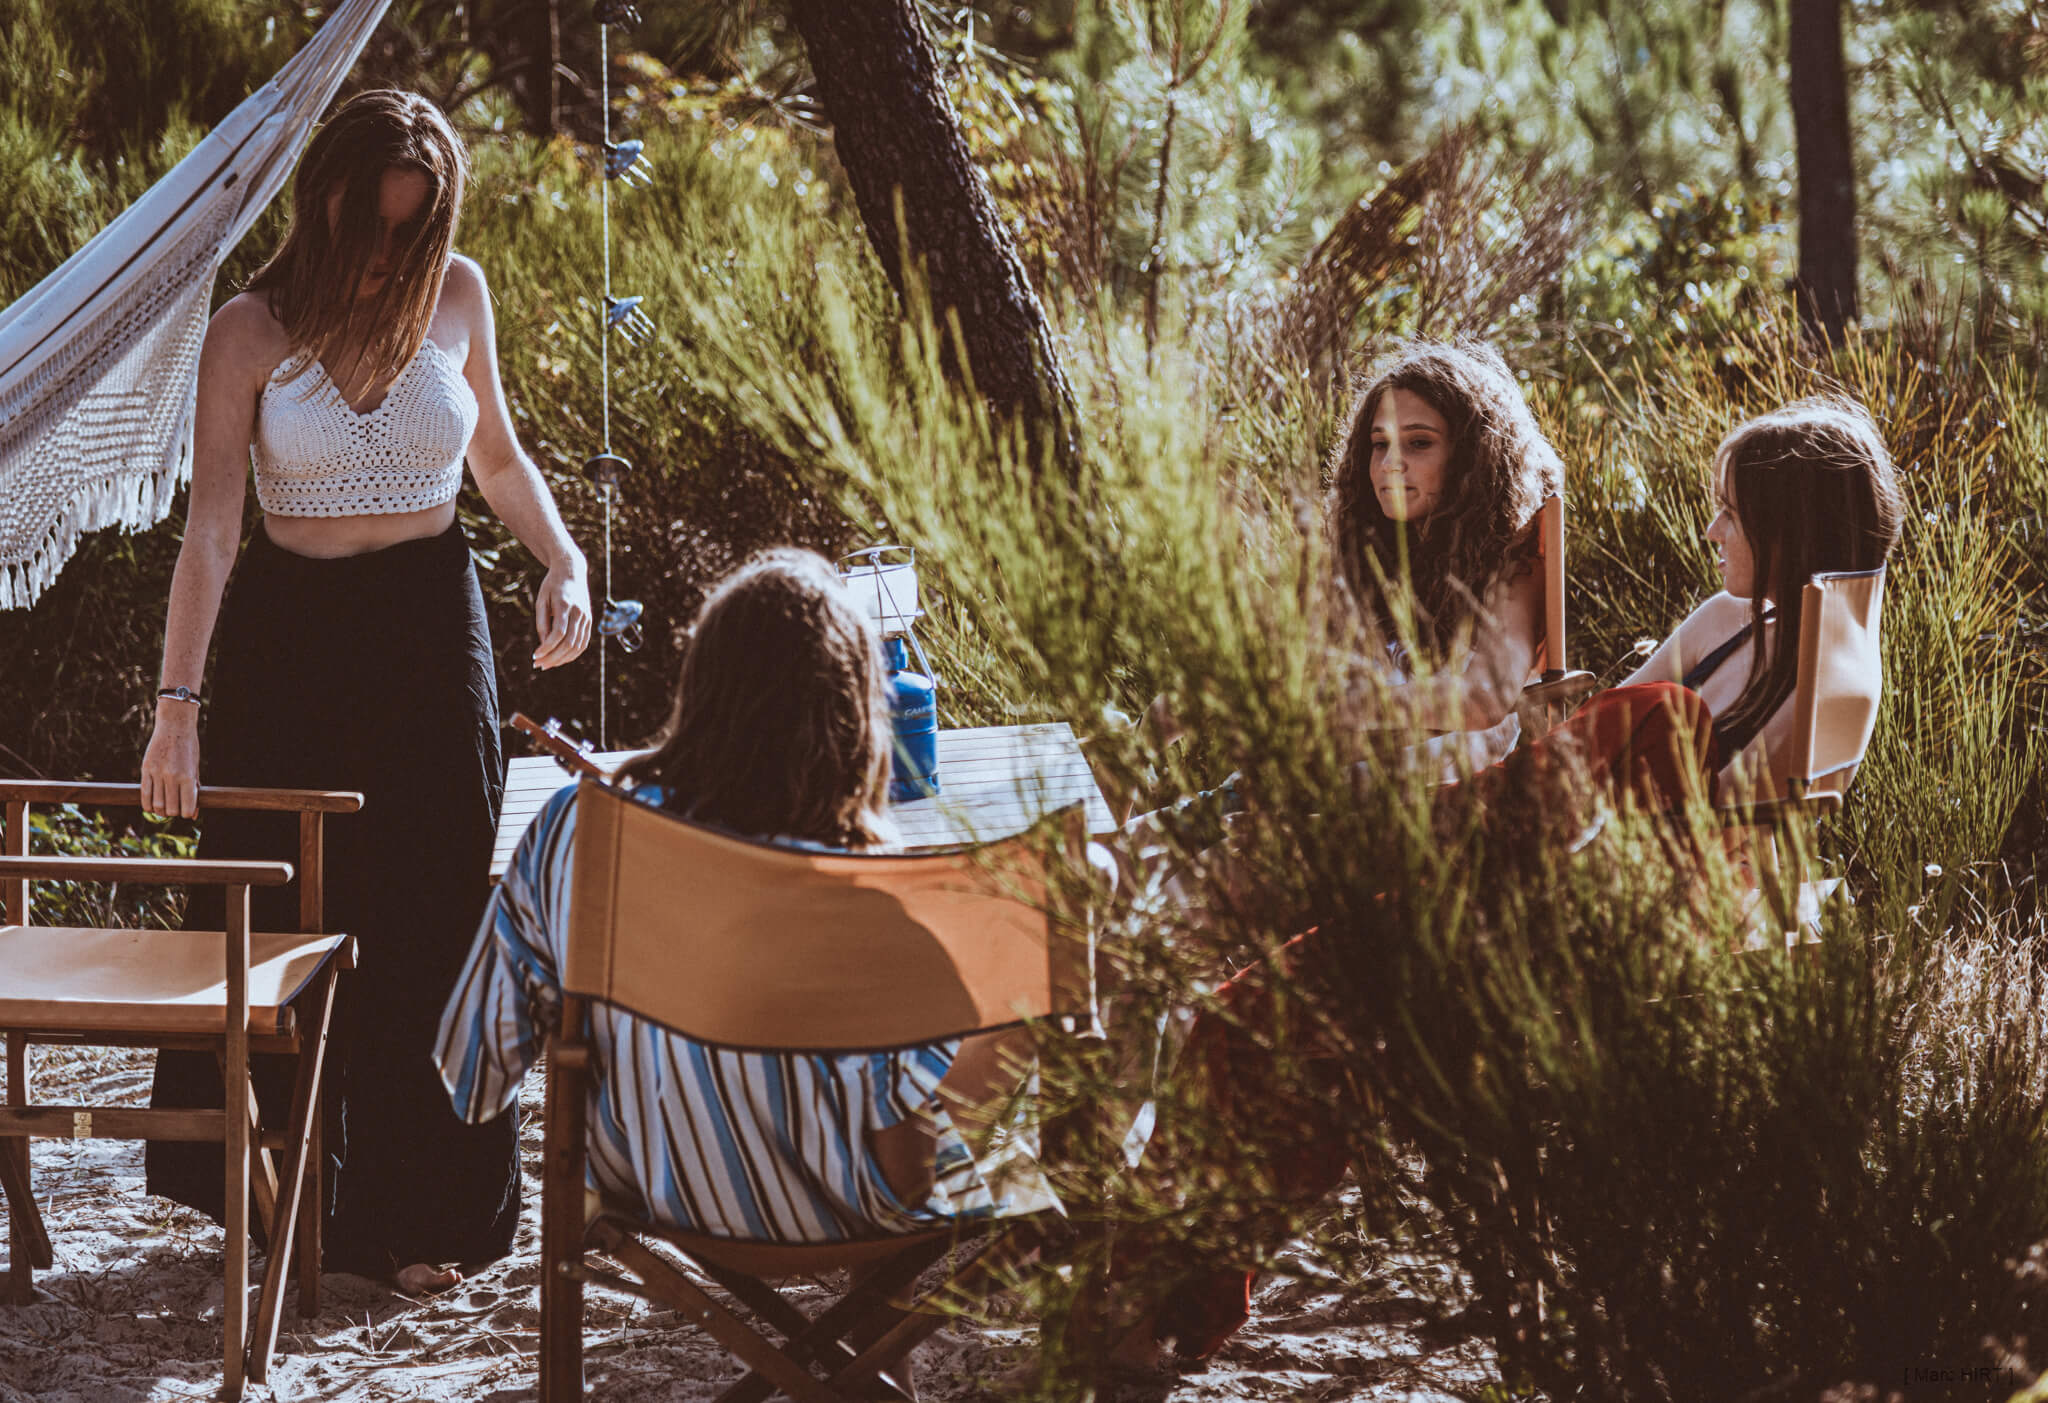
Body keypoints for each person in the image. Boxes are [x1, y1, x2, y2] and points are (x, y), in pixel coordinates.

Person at [1138, 394, 1904, 1362]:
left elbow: (1705, 847)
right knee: (1250, 1008)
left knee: (1262, 1018)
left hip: (1590, 940)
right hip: (1525, 881)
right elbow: (1592, 751)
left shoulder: (1828, 672)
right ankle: (1171, 1261)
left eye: (1730, 511)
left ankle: (1167, 1275)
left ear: (1787, 523)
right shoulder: (1727, 620)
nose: (1709, 527)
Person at [139, 90, 592, 1295]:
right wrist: (176, 703)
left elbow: (495, 454)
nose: (389, 253)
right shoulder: (248, 329)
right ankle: (286, 1207)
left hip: (432, 632)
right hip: (293, 643)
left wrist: (564, 556)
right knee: (292, 920)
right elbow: (213, 532)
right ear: (324, 202)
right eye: (370, 223)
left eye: (413, 225)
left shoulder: (459, 297)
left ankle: (415, 1220)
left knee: (433, 922)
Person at [434, 548, 1036, 1251]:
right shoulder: (869, 885)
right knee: (1036, 968)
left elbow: (472, 1071)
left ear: (701, 687)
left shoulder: (574, 831)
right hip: (855, 1212)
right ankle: (886, 1353)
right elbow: (906, 1160)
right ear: (852, 718)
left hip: (658, 1192)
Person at [1329, 338, 1563, 770]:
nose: (1389, 465)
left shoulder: (1511, 560)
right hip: (1330, 783)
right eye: (1379, 444)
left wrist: (1344, 710)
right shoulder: (1369, 562)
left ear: (1473, 455)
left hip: (1441, 792)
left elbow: (1484, 696)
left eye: (1419, 443)